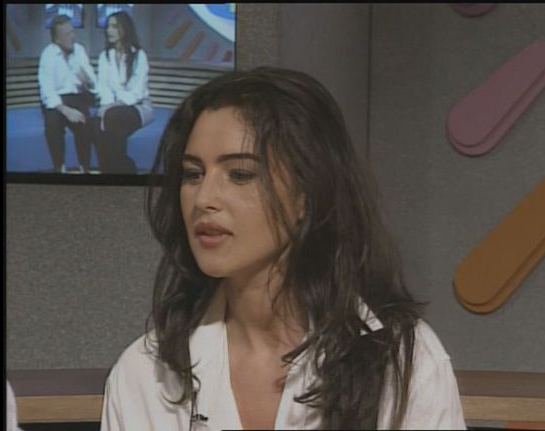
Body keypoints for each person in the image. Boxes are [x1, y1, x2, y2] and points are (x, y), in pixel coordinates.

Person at [100, 67, 466, 430]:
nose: (204, 199)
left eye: (240, 174)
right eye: (193, 174)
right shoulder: (144, 373)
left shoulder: (401, 360)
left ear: (307, 193)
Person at [93, 11, 153, 174]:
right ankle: (113, 171)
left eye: (114, 27)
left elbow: (138, 92)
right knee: (96, 125)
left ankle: (121, 170)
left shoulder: (139, 55)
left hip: (139, 107)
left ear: (125, 29)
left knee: (112, 117)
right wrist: (107, 105)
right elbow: (103, 86)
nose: (109, 30)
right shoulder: (105, 56)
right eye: (108, 27)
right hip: (114, 109)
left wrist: (112, 106)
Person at [38, 14, 97, 174]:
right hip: (56, 101)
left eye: (72, 32)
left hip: (77, 97)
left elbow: (93, 82)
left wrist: (87, 81)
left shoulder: (80, 50)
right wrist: (65, 110)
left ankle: (84, 168)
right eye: (67, 34)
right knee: (52, 126)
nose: (73, 37)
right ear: (57, 40)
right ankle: (60, 168)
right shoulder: (48, 55)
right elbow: (47, 90)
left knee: (84, 123)